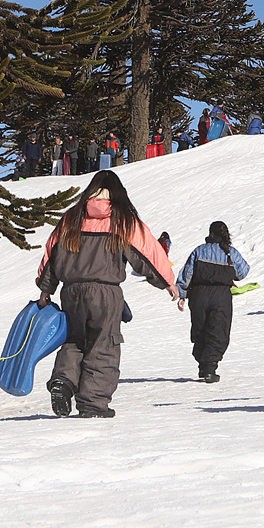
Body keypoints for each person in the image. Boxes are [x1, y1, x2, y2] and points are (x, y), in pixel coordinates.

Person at [34, 170, 179, 418]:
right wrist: (167, 282)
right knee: (104, 345)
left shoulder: (71, 218)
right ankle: (92, 404)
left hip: (71, 292)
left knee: (74, 340)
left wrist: (46, 289)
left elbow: (51, 254)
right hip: (105, 292)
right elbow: (148, 252)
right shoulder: (122, 220)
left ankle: (63, 381)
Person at [177, 221, 250, 383]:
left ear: (210, 233)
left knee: (200, 329)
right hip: (221, 296)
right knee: (218, 331)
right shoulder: (230, 253)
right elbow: (242, 273)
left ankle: (203, 365)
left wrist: (182, 294)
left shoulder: (199, 251)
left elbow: (187, 274)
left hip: (198, 295)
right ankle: (210, 368)